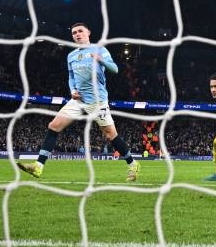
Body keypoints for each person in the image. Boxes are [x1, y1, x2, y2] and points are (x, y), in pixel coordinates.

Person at [18, 22, 140, 182]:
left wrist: (100, 60)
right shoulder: (71, 56)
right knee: (53, 126)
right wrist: (72, 90)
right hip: (78, 100)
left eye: (80, 31)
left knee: (110, 135)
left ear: (88, 32)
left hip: (97, 101)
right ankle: (38, 166)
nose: (77, 34)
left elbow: (115, 69)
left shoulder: (100, 49)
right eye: (74, 33)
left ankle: (133, 164)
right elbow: (71, 77)